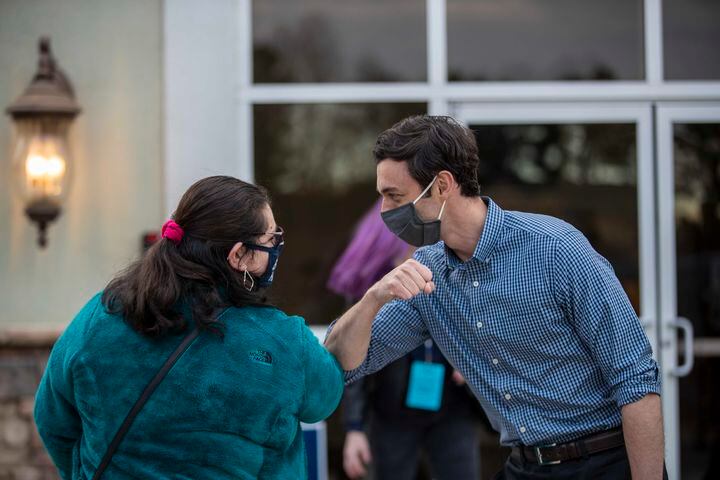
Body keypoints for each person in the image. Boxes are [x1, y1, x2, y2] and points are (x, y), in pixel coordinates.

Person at [325, 116, 666, 479]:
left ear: (442, 185)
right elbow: (343, 360)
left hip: (604, 463)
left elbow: (636, 380)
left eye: (395, 196)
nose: (384, 212)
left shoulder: (555, 249)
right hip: (525, 464)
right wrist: (375, 296)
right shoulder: (427, 273)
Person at [34, 176, 344, 479]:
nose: (276, 248)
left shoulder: (101, 316)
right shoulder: (281, 341)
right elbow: (325, 398)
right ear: (238, 255)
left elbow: (51, 419)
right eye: (270, 239)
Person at [327, 200, 481, 480]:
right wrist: (354, 428)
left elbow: (479, 324)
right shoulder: (373, 287)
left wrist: (471, 362)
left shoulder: (452, 267)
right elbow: (353, 360)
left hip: (452, 407)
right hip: (391, 412)